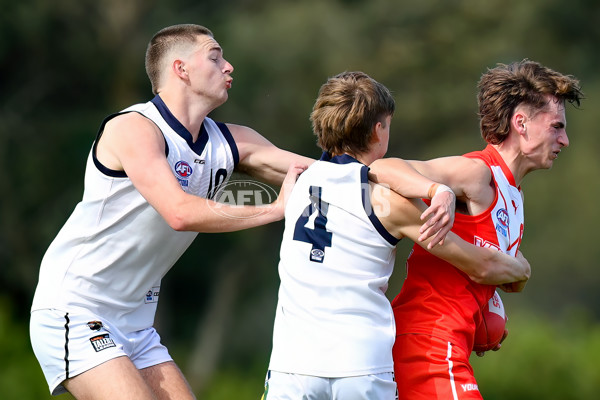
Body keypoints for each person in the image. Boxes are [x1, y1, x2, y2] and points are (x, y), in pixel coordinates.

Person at [29, 24, 315, 400]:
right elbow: (179, 212)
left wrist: (416, 180)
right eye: (215, 57)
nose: (229, 67)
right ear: (181, 69)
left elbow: (330, 176)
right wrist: (275, 209)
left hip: (136, 325)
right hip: (75, 309)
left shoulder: (230, 141)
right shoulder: (134, 128)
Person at [262, 71, 531, 400]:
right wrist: (521, 268)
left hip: (291, 365)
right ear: (379, 130)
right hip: (359, 365)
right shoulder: (387, 200)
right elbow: (479, 264)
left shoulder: (297, 180)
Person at [370, 59, 583, 399]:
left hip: (447, 347)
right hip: (428, 344)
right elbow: (382, 168)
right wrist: (433, 190)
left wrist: (484, 315)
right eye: (557, 126)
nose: (565, 140)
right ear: (521, 123)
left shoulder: (513, 196)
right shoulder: (477, 172)